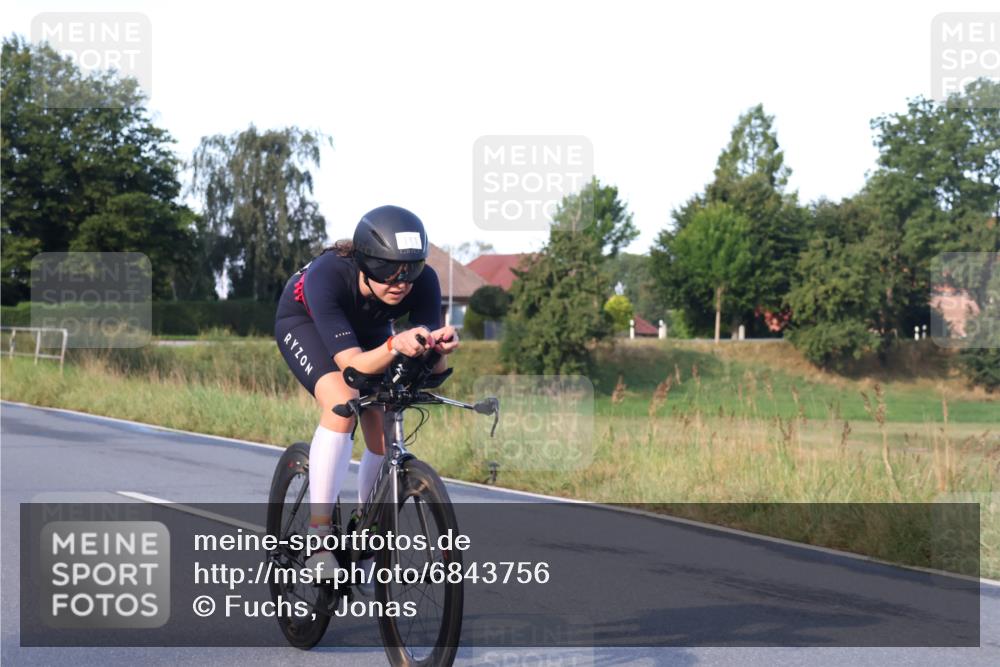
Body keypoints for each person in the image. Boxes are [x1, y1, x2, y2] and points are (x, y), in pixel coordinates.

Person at [273, 205, 459, 592]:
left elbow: (432, 373)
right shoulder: (327, 276)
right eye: (388, 270)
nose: (401, 281)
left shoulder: (422, 281)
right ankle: (319, 535)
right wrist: (395, 343)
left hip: (373, 330)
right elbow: (354, 367)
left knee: (386, 411)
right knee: (343, 402)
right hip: (303, 322)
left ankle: (367, 530)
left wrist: (439, 348)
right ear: (365, 263)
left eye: (410, 270)